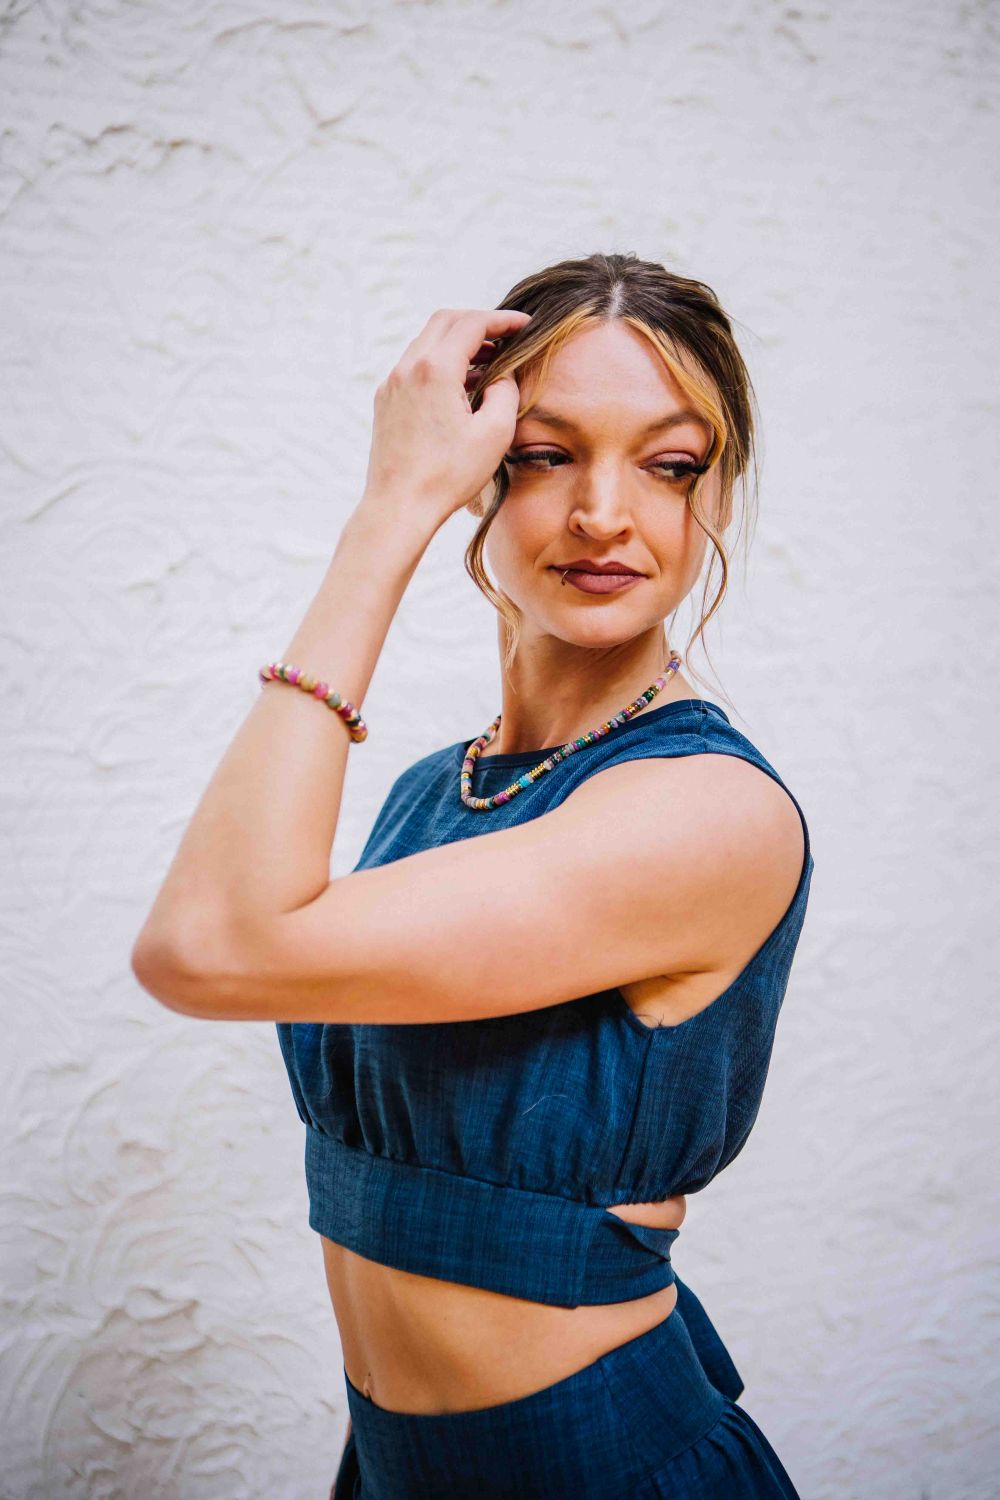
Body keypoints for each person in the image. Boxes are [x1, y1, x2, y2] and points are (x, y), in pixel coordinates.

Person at [131, 252, 816, 1499]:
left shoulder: (707, 813)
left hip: (596, 1472)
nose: (606, 512)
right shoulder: (429, 793)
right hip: (391, 1469)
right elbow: (228, 929)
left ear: (714, 497)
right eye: (544, 454)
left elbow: (206, 947)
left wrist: (385, 518)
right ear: (477, 476)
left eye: (669, 465)